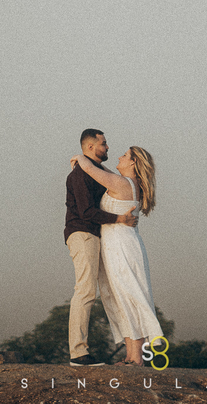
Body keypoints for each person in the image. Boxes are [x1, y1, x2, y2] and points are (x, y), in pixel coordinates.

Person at [70, 143, 161, 367]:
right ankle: (131, 356)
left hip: (122, 246)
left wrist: (81, 157)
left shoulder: (122, 184)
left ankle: (137, 358)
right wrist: (85, 161)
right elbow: (103, 171)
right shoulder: (125, 182)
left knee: (129, 294)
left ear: (133, 162)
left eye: (125, 155)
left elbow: (92, 170)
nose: (119, 157)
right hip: (117, 244)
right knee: (120, 296)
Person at [65, 129, 138, 366]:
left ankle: (130, 352)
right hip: (82, 233)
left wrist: (83, 159)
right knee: (85, 290)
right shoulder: (80, 175)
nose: (108, 147)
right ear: (91, 147)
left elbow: (109, 177)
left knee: (107, 290)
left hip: (95, 235)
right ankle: (78, 353)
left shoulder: (92, 171)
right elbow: (86, 211)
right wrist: (120, 219)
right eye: (104, 144)